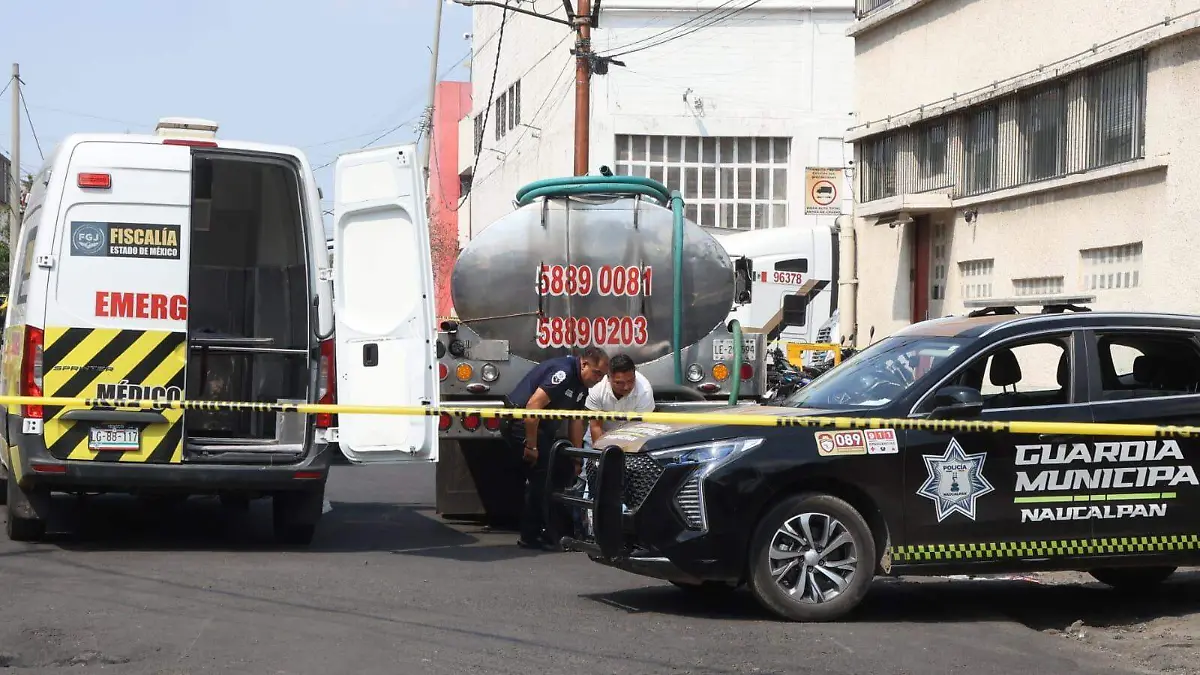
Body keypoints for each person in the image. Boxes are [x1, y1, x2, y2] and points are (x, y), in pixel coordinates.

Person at [503, 345, 610, 550]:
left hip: (541, 429)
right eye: (597, 373)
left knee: (561, 470)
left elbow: (576, 421)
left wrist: (577, 458)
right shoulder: (565, 373)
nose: (599, 379)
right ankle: (532, 535)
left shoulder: (582, 384)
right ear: (584, 363)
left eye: (602, 375)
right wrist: (531, 446)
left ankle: (559, 529)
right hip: (521, 424)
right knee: (542, 476)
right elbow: (533, 406)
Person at [585, 353, 656, 447]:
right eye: (619, 383)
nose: (626, 387)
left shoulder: (644, 391)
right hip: (598, 439)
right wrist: (601, 456)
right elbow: (596, 427)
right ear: (608, 377)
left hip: (631, 438)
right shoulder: (597, 388)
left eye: (630, 381)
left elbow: (640, 430)